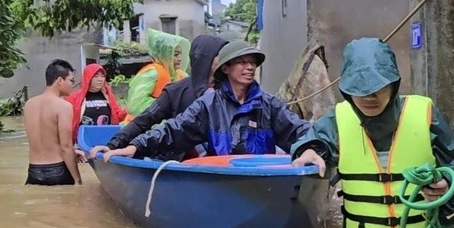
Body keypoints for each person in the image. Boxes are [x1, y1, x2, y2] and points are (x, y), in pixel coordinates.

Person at [290, 37, 454, 228]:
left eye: (379, 87)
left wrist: (447, 186)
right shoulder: (337, 119)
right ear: (347, 89)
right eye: (361, 88)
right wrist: (308, 152)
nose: (370, 97)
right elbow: (313, 142)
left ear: (394, 84)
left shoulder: (425, 113)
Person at [105, 41, 313, 161]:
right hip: (222, 182)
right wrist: (135, 146)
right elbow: (173, 130)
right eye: (242, 62)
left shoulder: (270, 105)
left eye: (252, 63)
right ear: (225, 68)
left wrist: (311, 148)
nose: (249, 67)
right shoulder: (208, 105)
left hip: (263, 184)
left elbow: (300, 131)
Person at [88, 35, 229, 158]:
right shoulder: (176, 90)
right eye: (221, 55)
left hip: (224, 157)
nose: (227, 59)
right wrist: (113, 145)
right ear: (206, 57)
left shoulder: (231, 89)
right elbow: (143, 120)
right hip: (184, 159)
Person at [21, 59, 81, 186]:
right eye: (71, 80)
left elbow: (44, 140)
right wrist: (77, 179)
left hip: (34, 172)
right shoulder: (63, 106)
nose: (72, 85)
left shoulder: (29, 104)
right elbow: (66, 147)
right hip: (58, 171)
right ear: (59, 80)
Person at [123, 29, 190, 117]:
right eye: (175, 54)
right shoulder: (151, 73)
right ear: (164, 54)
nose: (180, 58)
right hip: (144, 128)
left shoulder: (182, 76)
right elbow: (134, 106)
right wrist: (164, 105)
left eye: (180, 54)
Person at [67, 63, 128, 144]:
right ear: (88, 78)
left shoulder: (109, 96)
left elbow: (117, 116)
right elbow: (67, 122)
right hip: (84, 142)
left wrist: (129, 109)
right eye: (95, 76)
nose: (100, 79)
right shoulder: (74, 97)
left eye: (102, 76)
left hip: (106, 141)